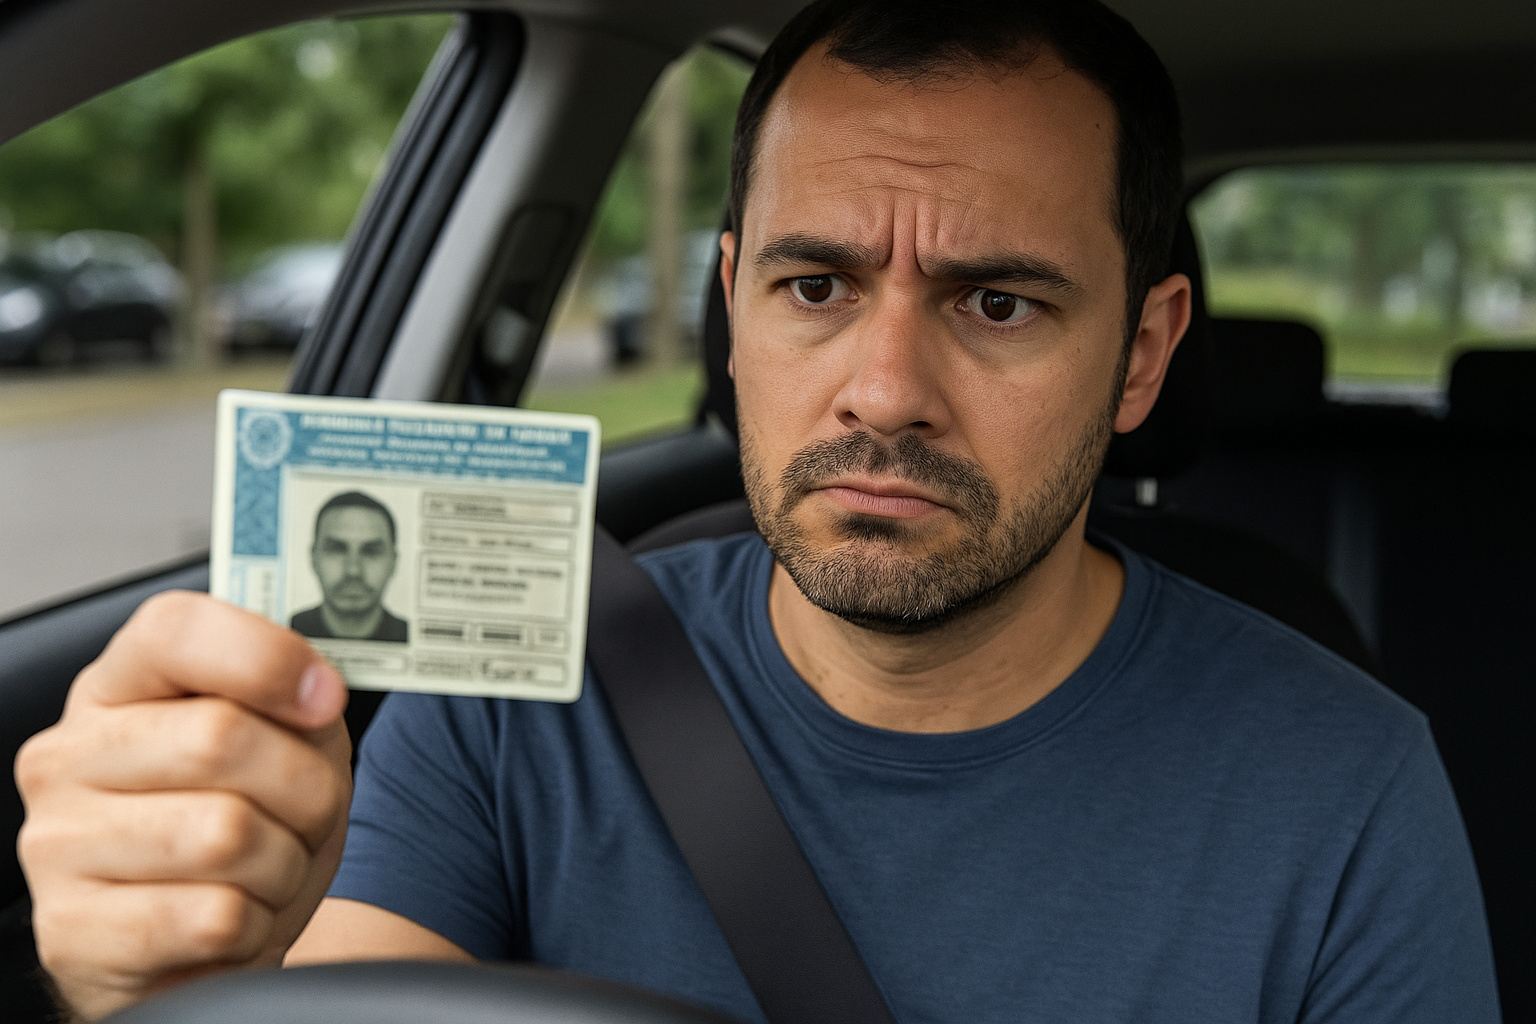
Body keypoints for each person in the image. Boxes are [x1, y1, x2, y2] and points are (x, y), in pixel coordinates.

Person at [15, 1, 1499, 1022]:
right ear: (732, 305)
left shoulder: (1347, 791)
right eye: (816, 285)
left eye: (997, 301)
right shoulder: (517, 687)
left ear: (1144, 355)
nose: (884, 392)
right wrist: (183, 987)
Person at [289, 491, 409, 644]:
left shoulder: (413, 636)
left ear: (393, 562)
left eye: (371, 552)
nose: (353, 571)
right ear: (313, 557)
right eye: (336, 550)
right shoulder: (285, 633)